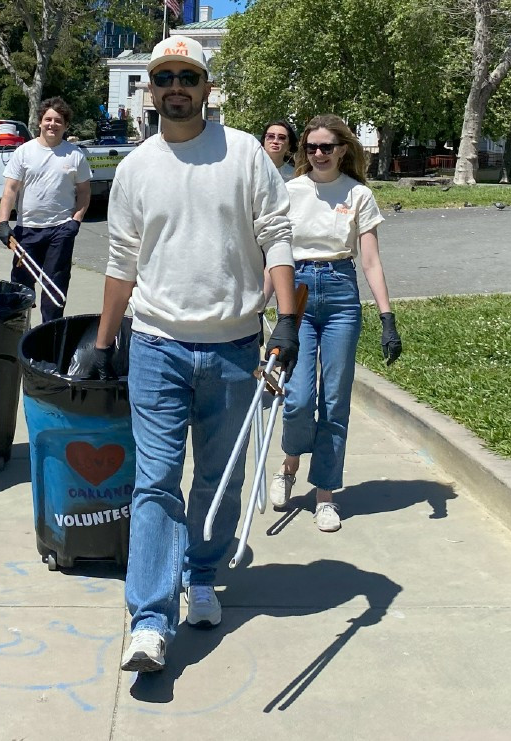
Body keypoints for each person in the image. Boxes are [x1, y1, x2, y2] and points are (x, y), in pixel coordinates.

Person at [85, 35, 300, 675]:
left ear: (207, 88)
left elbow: (277, 237)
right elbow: (121, 262)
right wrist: (103, 343)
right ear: (150, 90)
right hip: (156, 346)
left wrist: (287, 321)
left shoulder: (244, 156)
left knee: (219, 479)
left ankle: (200, 574)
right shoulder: (134, 169)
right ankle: (149, 620)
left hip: (235, 348)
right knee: (155, 482)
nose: (175, 86)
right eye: (164, 77)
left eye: (188, 75)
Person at [270, 115, 403, 533]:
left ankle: (325, 493)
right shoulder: (289, 191)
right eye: (310, 147)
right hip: (299, 291)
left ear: (343, 149)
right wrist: (261, 306)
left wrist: (387, 317)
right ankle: (290, 463)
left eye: (327, 147)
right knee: (297, 398)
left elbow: (370, 260)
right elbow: (274, 254)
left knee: (334, 400)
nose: (318, 154)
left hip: (342, 293)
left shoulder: (359, 194)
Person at [0, 97, 90, 325]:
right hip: (27, 232)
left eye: (58, 120)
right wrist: (5, 222)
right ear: (40, 122)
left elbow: (85, 193)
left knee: (54, 289)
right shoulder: (24, 152)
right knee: (20, 287)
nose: (52, 124)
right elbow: (10, 189)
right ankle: (16, 331)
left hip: (60, 232)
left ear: (65, 126)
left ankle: (49, 337)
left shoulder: (75, 155)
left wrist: (75, 222)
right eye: (48, 119)